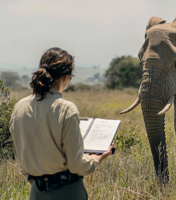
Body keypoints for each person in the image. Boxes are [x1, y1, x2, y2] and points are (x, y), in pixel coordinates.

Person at [9, 47, 114, 200]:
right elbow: (76, 165)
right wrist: (96, 159)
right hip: (68, 192)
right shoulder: (66, 109)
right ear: (66, 77)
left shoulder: (19, 107)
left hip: (36, 192)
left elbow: (21, 160)